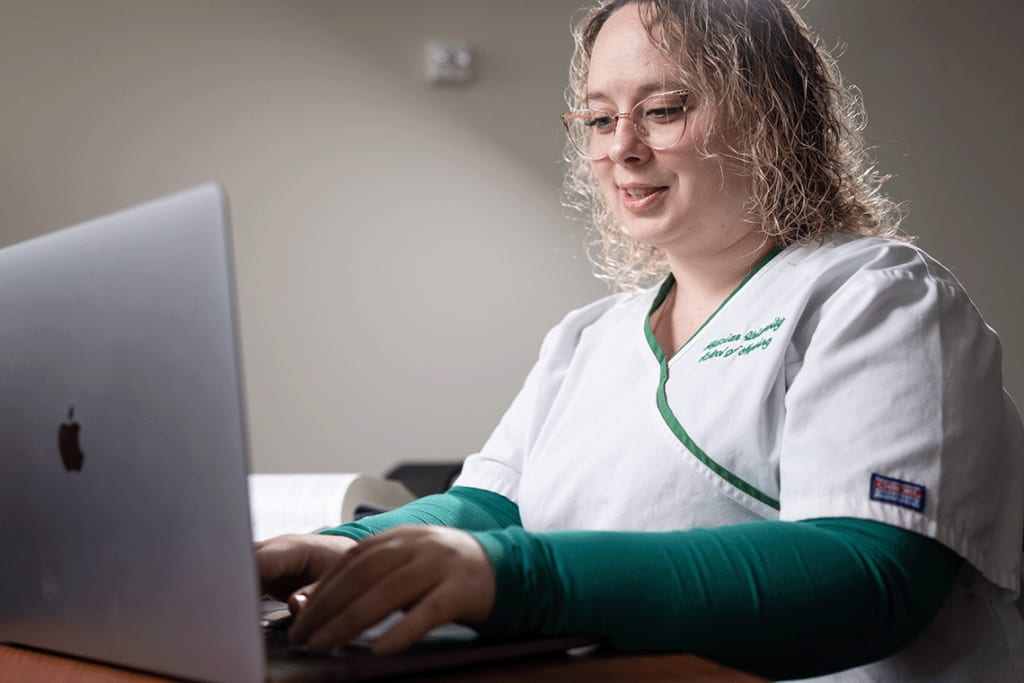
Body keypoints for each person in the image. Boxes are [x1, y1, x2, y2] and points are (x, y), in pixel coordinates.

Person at [257, 0, 1024, 680]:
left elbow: (871, 576)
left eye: (663, 109)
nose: (621, 147)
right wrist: (350, 547)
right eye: (598, 117)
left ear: (774, 116)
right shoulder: (589, 337)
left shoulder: (879, 297)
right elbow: (486, 511)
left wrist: (522, 578)